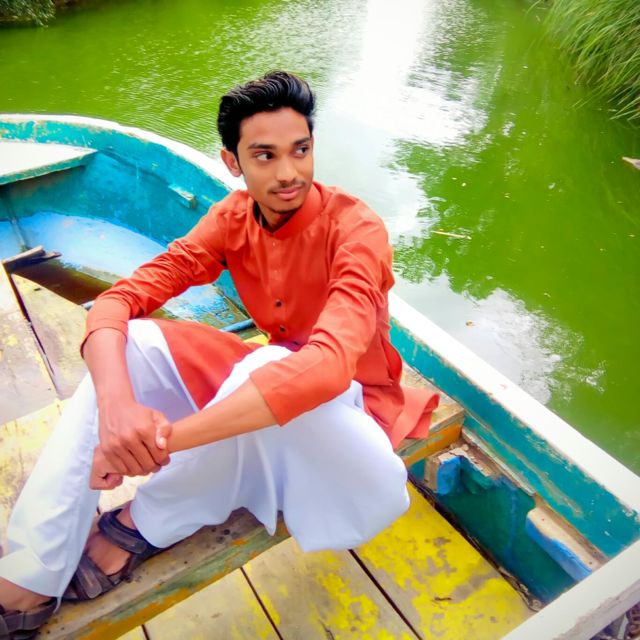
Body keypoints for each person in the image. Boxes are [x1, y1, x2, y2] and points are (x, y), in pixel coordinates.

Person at [0, 71, 438, 637]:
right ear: (233, 162)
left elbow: (328, 367)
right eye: (265, 156)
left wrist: (161, 443)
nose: (289, 173)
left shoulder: (356, 230)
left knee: (268, 364)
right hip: (266, 386)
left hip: (352, 415)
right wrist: (117, 414)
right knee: (133, 342)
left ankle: (140, 522)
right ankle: (34, 572)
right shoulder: (233, 218)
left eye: (300, 150)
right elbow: (116, 302)